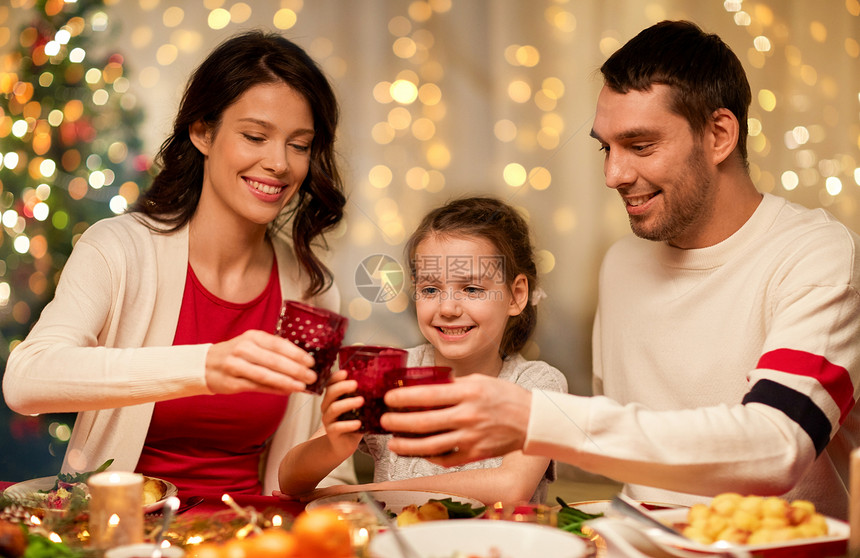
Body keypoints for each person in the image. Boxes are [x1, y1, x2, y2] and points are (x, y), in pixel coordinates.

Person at [379, 20, 860, 520]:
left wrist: (535, 416)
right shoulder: (621, 264)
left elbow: (778, 447)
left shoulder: (817, 256)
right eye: (606, 147)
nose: (613, 174)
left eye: (641, 145)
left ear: (719, 135)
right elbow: (627, 453)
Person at [3, 30, 356, 495]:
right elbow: (27, 382)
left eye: (299, 144)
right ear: (203, 132)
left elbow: (316, 472)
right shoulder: (118, 249)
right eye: (255, 136)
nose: (279, 163)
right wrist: (206, 366)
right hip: (121, 532)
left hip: (250, 539)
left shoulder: (310, 288)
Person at [277, 197, 568, 505]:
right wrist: (335, 445)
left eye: (471, 289)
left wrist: (358, 494)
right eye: (430, 289)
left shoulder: (538, 385)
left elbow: (511, 488)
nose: (448, 308)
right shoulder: (386, 373)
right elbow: (290, 481)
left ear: (516, 295)